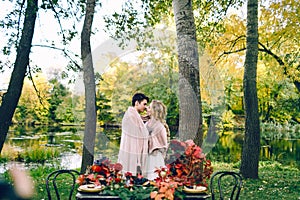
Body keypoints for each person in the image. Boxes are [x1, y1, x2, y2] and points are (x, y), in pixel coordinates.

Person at [117, 93, 150, 176]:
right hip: (131, 147)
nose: (146, 107)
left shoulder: (133, 114)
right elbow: (141, 133)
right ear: (136, 103)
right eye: (144, 104)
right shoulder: (131, 115)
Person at [145, 100, 170, 180]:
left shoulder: (160, 126)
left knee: (156, 175)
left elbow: (164, 144)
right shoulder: (147, 124)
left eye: (149, 107)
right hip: (147, 155)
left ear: (154, 111)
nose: (147, 109)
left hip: (156, 155)